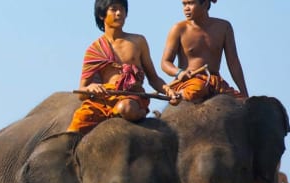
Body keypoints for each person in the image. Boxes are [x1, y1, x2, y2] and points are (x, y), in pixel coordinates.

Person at [67, 0, 179, 134]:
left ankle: (141, 112)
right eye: (114, 9)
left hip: (131, 97)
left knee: (125, 108)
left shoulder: (138, 41)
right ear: (102, 15)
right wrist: (91, 88)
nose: (119, 13)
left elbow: (153, 78)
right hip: (104, 101)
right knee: (77, 123)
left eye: (122, 10)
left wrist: (169, 91)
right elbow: (81, 92)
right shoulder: (94, 50)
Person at [161, 0, 248, 103]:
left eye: (191, 3)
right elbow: (165, 63)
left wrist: (245, 93)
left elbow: (233, 63)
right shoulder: (179, 29)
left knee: (240, 103)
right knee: (199, 88)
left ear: (205, 4)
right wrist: (179, 73)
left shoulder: (224, 27)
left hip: (215, 82)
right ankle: (179, 95)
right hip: (190, 82)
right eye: (184, 4)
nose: (186, 8)